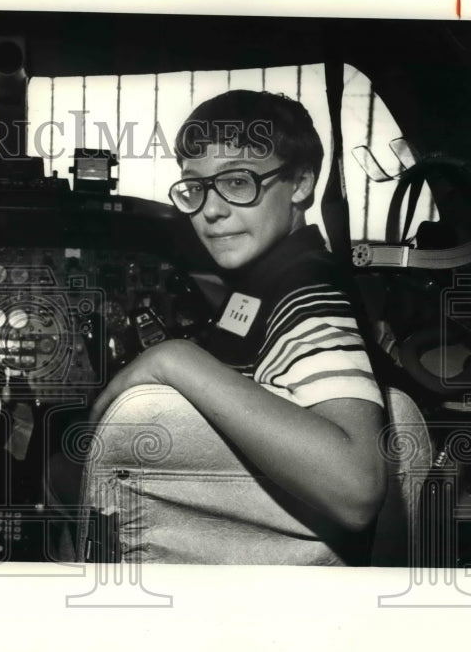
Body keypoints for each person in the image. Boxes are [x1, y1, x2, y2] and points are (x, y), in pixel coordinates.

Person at [78, 90, 387, 564]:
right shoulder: (265, 283)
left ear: (301, 183)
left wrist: (172, 359)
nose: (211, 210)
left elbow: (356, 485)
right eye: (195, 187)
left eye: (238, 182)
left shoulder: (308, 294)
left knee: (58, 462)